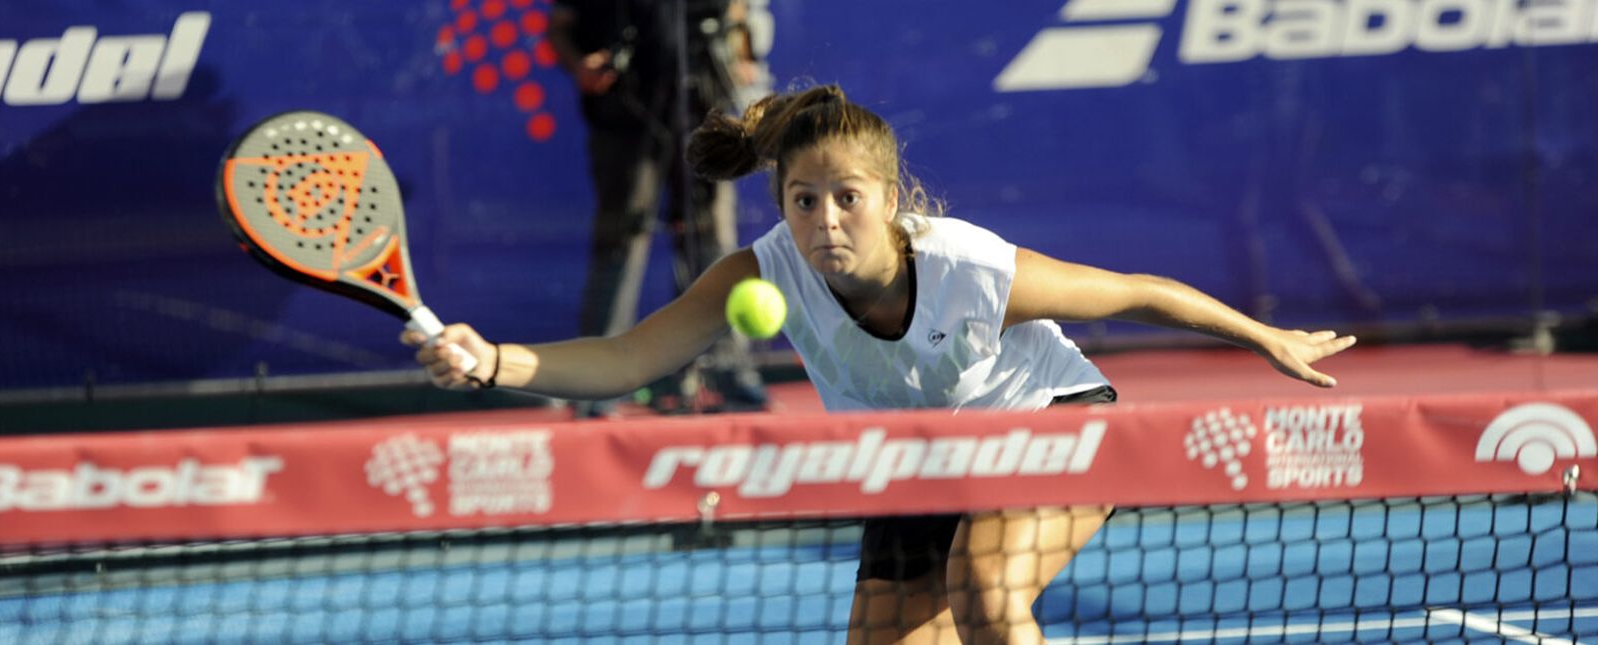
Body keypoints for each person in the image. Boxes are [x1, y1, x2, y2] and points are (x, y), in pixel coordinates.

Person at [405, 85, 1357, 644]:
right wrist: (494, 361)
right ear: (780, 201)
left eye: (846, 198)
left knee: (987, 590)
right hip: (920, 460)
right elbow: (624, 358)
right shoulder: (760, 267)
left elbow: (1139, 290)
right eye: (803, 200)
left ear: (888, 195)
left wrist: (1266, 337)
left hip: (1051, 422)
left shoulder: (967, 267)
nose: (824, 222)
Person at [548, 0, 767, 415]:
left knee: (713, 240)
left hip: (706, 108)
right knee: (621, 240)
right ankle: (597, 385)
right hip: (626, 113)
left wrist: (741, 56)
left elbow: (737, 12)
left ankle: (727, 372)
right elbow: (559, 27)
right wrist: (581, 65)